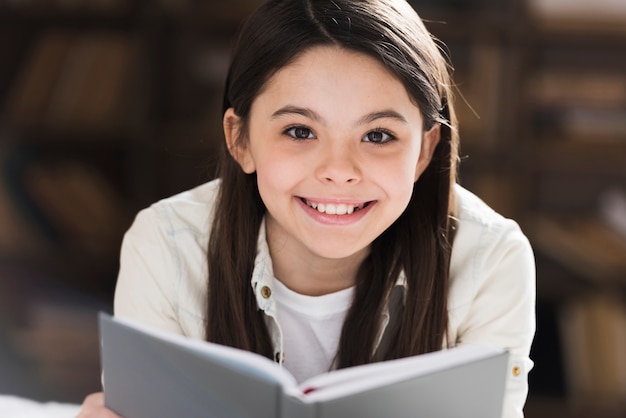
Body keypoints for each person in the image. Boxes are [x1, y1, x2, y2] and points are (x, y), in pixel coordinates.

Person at [78, 0, 536, 417]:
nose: (339, 171)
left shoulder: (491, 259)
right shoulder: (165, 245)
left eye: (378, 135)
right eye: (300, 131)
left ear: (423, 150)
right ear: (240, 139)